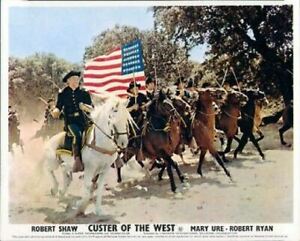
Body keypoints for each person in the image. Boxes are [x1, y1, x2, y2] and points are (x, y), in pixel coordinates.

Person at [51, 70, 93, 172]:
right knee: (78, 135)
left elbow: (91, 108)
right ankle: (77, 159)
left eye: (77, 79)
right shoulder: (63, 93)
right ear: (68, 81)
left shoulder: (84, 93)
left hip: (85, 121)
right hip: (71, 122)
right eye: (73, 79)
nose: (76, 81)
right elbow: (58, 107)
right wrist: (55, 111)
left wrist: (85, 107)